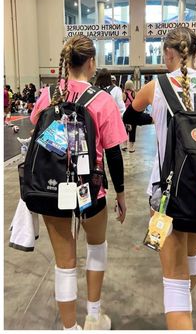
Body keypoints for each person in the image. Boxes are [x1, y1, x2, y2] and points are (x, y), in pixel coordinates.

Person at [123, 27, 196, 330]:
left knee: (174, 278)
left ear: (168, 53)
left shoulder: (155, 87)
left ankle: (180, 310)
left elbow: (129, 118)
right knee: (193, 256)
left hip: (167, 192)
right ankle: (184, 304)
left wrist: (155, 118)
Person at [29, 35, 128, 330]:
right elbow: (113, 154)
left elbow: (37, 129)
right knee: (97, 248)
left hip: (51, 187)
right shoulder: (103, 100)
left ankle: (70, 328)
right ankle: (94, 316)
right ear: (91, 62)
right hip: (91, 188)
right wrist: (120, 194)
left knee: (64, 262)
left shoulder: (48, 95)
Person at [122, 80, 136, 153]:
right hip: (133, 114)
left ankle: (124, 145)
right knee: (132, 130)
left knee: (125, 130)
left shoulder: (123, 94)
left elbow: (121, 104)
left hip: (125, 114)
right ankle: (131, 148)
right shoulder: (134, 94)